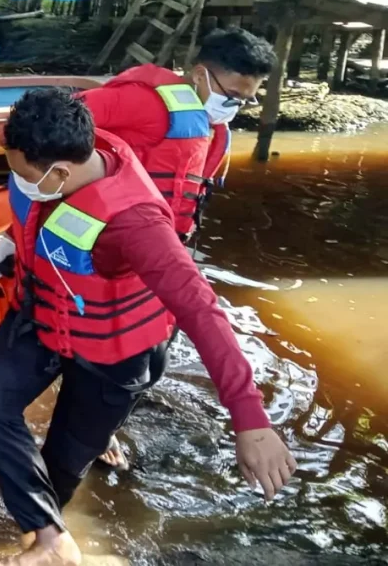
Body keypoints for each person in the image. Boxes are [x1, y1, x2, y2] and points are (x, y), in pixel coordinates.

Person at [0, 87, 297, 565]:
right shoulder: (81, 140)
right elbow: (36, 208)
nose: (16, 182)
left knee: (61, 467)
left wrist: (250, 420)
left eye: (21, 175)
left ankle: (52, 539)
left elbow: (201, 310)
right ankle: (46, 532)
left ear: (61, 172)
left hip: (113, 352)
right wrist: (8, 240)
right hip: (45, 316)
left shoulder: (136, 225)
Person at [76, 27, 277, 469]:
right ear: (201, 75)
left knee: (157, 358)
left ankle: (103, 423)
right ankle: (91, 434)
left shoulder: (214, 132)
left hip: (163, 253)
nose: (236, 107)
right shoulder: (144, 102)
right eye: (233, 95)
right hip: (111, 249)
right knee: (116, 361)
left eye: (247, 100)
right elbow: (64, 120)